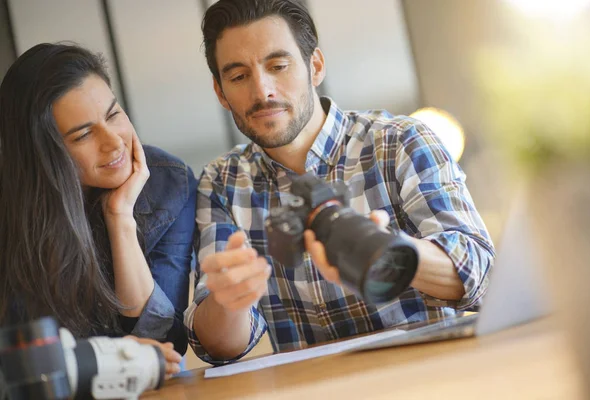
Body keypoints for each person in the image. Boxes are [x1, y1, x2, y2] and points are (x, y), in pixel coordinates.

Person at [184, 0, 495, 364]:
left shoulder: (399, 141)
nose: (262, 91)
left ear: (315, 66)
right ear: (221, 92)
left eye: (278, 66)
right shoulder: (220, 182)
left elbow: (482, 275)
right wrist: (230, 298)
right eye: (238, 77)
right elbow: (219, 347)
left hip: (434, 375)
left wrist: (390, 253)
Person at [0, 43, 197, 376]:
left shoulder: (167, 183)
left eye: (113, 114)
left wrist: (119, 219)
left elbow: (164, 345)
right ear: (42, 155)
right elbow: (23, 359)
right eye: (83, 135)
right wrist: (105, 356)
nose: (114, 142)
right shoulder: (14, 214)